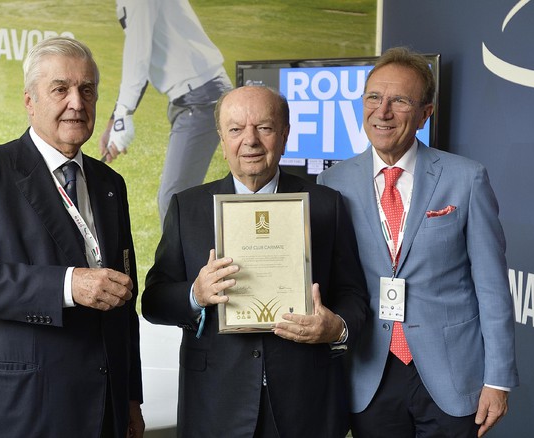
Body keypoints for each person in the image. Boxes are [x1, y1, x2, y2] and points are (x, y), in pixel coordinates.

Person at [0, 37, 145, 438]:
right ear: (30, 100)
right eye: (60, 89)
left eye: (87, 90)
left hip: (103, 408)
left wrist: (130, 397)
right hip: (16, 408)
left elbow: (123, 299)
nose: (77, 103)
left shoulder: (109, 183)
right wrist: (67, 284)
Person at [141, 85, 369, 438]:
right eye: (235, 129)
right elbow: (154, 300)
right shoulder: (188, 207)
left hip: (304, 403)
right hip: (216, 402)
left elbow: (354, 295)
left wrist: (336, 327)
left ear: (285, 134)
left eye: (264, 127)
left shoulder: (326, 204)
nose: (250, 141)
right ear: (221, 138)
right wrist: (195, 295)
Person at [318, 46, 519, 437]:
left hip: (452, 376)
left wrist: (498, 380)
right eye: (374, 98)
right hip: (368, 374)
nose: (383, 111)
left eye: (400, 101)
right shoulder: (332, 184)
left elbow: (492, 288)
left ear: (426, 113)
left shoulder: (466, 178)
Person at [99, 0, 233, 223]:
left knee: (174, 200)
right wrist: (116, 117)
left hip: (200, 97)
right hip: (193, 97)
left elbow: (137, 56)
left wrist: (123, 114)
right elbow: (144, 57)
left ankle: (187, 259)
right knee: (177, 200)